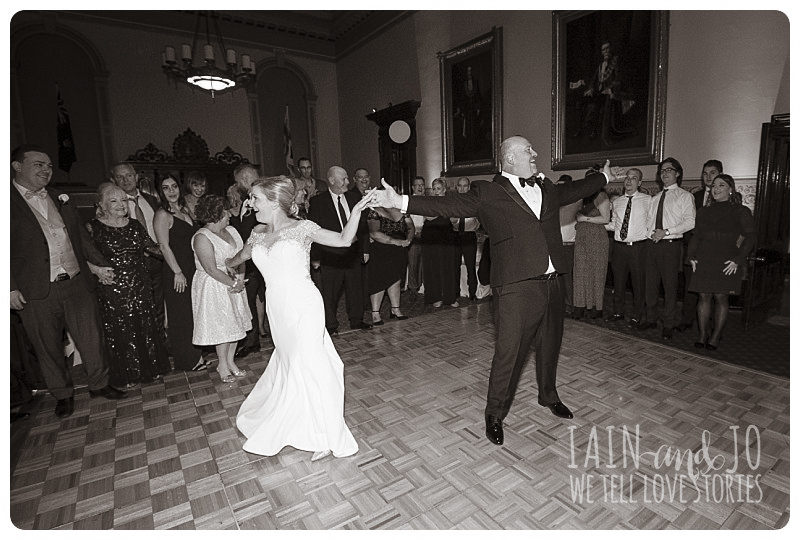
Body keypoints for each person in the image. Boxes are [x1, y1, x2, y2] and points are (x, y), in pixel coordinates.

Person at [373, 136, 617, 446]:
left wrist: (604, 177)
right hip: (516, 287)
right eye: (529, 149)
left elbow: (577, 189)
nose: (535, 153)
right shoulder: (487, 192)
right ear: (511, 157)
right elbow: (448, 205)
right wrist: (401, 201)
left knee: (550, 343)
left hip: (554, 282)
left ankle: (548, 394)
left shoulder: (546, 187)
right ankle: (495, 413)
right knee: (509, 352)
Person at [232, 176, 376, 460]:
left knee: (313, 364)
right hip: (278, 310)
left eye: (256, 198)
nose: (251, 203)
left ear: (274, 202)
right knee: (292, 364)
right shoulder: (257, 233)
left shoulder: (303, 228)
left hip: (304, 306)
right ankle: (304, 424)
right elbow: (240, 258)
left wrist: (357, 210)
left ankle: (327, 433)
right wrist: (221, 266)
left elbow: (345, 240)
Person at [11, 145, 124, 418]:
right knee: (47, 345)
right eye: (38, 164)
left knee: (91, 337)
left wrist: (100, 265)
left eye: (48, 166)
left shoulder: (60, 198)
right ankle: (62, 394)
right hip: (36, 289)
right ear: (17, 166)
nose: (46, 170)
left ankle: (100, 384)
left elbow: (81, 239)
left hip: (75, 281)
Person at [90, 183, 172, 388]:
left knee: (145, 325)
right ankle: (129, 374)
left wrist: (178, 255)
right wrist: (95, 270)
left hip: (141, 284)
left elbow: (153, 248)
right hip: (113, 288)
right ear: (101, 204)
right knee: (122, 329)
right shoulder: (93, 227)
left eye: (123, 200)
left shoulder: (134, 225)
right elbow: (80, 255)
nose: (121, 204)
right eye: (113, 200)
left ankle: (150, 369)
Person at [687, 174, 755, 350]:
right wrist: (692, 256)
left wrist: (738, 259)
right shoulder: (703, 212)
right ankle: (702, 335)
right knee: (703, 295)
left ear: (730, 189)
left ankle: (716, 336)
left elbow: (751, 236)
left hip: (727, 259)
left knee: (720, 296)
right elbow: (696, 236)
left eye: (721, 185)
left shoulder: (741, 211)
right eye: (714, 186)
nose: (716, 189)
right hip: (704, 257)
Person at [191, 195, 251, 382]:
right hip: (213, 286)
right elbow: (210, 268)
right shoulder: (201, 237)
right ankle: (222, 365)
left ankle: (231, 362)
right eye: (225, 212)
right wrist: (233, 283)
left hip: (236, 283)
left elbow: (242, 257)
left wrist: (240, 280)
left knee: (237, 324)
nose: (229, 215)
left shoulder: (232, 231)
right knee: (222, 326)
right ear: (214, 213)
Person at [308, 166, 372, 334]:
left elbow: (362, 226)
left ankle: (357, 320)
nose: (348, 182)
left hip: (352, 253)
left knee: (355, 288)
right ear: (331, 180)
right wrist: (315, 257)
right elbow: (312, 231)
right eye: (343, 179)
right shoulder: (318, 202)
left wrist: (365, 249)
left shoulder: (353, 198)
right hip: (330, 255)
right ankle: (330, 325)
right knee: (330, 292)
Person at [110, 162, 167, 349]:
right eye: (120, 177)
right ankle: (142, 349)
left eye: (128, 175)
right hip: (130, 266)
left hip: (158, 261)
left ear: (136, 178)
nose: (125, 180)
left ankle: (159, 345)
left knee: (158, 305)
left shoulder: (153, 200)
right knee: (138, 309)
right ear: (113, 180)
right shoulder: (113, 206)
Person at [638, 158, 696, 339]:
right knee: (650, 285)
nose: (664, 173)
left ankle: (669, 322)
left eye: (669, 170)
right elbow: (648, 223)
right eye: (662, 170)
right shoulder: (654, 199)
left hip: (671, 246)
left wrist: (666, 232)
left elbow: (690, 222)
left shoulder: (685, 196)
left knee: (670, 286)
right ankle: (651, 318)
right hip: (651, 246)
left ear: (677, 173)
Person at [153, 174, 205, 372]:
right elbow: (164, 246)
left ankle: (196, 355)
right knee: (181, 316)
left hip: (191, 268)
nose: (171, 191)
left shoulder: (183, 210)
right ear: (160, 192)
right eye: (166, 188)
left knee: (192, 314)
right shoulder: (162, 215)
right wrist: (177, 272)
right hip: (176, 271)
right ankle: (187, 360)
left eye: (174, 186)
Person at [677, 159, 723, 333]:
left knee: (712, 290)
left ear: (720, 173)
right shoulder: (694, 197)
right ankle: (687, 319)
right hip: (693, 250)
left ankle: (711, 324)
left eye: (712, 173)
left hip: (715, 254)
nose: (708, 177)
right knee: (690, 287)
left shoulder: (729, 197)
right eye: (705, 173)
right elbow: (687, 224)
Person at [604, 168, 650, 324]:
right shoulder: (617, 202)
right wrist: (596, 225)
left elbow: (651, 224)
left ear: (640, 182)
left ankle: (637, 315)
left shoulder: (648, 200)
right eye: (627, 178)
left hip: (638, 248)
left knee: (638, 283)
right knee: (618, 282)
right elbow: (614, 225)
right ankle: (618, 312)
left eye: (634, 178)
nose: (629, 181)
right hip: (619, 248)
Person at [230, 163, 266, 356]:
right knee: (249, 301)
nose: (236, 186)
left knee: (251, 301)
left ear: (243, 180)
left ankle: (252, 342)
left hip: (256, 260)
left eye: (237, 182)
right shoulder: (245, 201)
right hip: (249, 260)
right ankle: (251, 340)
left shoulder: (261, 201)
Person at [367, 205, 414, 324]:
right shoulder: (374, 211)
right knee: (379, 280)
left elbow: (410, 227)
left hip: (399, 250)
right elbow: (374, 233)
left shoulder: (402, 211)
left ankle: (395, 309)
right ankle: (375, 313)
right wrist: (395, 242)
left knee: (396, 279)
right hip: (381, 249)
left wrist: (408, 240)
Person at [572, 187, 611, 319]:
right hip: (582, 236)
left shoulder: (601, 196)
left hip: (597, 237)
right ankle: (580, 305)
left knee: (596, 272)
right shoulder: (582, 197)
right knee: (580, 272)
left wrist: (584, 219)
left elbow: (606, 218)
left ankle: (597, 307)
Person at [421, 178, 459, 308]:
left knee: (448, 266)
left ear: (444, 189)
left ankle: (450, 298)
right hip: (430, 236)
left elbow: (454, 220)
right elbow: (428, 217)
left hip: (446, 235)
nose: (436, 191)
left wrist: (447, 210)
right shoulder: (429, 202)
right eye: (434, 188)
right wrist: (443, 209)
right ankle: (435, 297)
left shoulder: (450, 202)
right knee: (433, 266)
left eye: (438, 188)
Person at [451, 177, 481, 301]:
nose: (462, 189)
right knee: (455, 266)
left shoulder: (474, 202)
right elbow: (450, 220)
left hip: (469, 236)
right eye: (460, 186)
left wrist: (474, 228)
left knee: (470, 266)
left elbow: (479, 220)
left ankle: (472, 293)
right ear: (457, 187)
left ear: (468, 188)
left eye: (465, 186)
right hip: (456, 235)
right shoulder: (453, 202)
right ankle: (456, 292)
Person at [557, 175, 582, 317]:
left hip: (568, 244)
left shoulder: (576, 200)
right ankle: (560, 302)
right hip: (555, 243)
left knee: (567, 276)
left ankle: (569, 304)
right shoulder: (555, 201)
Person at [406, 176, 426, 294]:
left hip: (427, 237)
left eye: (422, 185)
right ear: (413, 187)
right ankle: (413, 288)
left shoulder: (429, 200)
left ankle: (425, 287)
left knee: (425, 264)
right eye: (417, 185)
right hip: (413, 237)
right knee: (413, 263)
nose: (420, 187)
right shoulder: (409, 202)